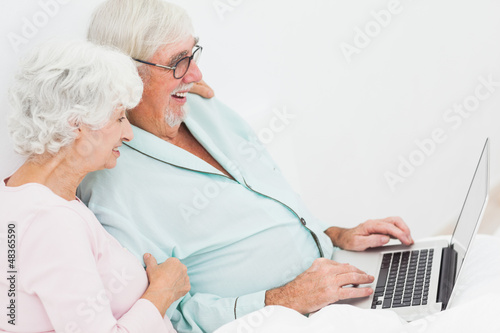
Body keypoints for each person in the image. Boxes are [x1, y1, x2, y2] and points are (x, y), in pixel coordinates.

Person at [78, 0, 414, 331]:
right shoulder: (110, 182)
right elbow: (169, 315)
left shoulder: (204, 109)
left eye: (193, 54)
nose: (196, 74)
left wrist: (334, 234)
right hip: (276, 321)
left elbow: (272, 199)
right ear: (125, 75)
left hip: (335, 276)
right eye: (178, 62)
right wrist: (282, 299)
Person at [0, 40, 191, 332]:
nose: (128, 134)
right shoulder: (49, 223)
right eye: (118, 118)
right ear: (76, 123)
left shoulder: (23, 196)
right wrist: (162, 293)